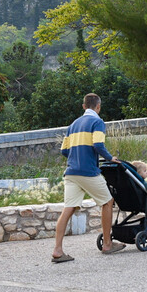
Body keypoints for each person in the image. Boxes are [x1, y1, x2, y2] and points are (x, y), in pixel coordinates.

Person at [51, 93, 125, 263]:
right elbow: (98, 145)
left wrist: (77, 156)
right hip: (88, 172)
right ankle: (107, 244)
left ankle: (57, 250)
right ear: (98, 107)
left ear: (84, 106)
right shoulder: (97, 122)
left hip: (71, 172)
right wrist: (109, 158)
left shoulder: (73, 125)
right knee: (107, 202)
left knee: (68, 209)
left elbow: (64, 151)